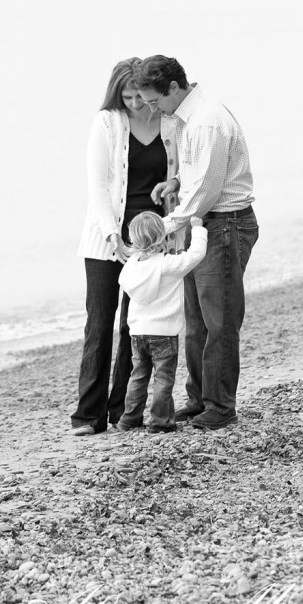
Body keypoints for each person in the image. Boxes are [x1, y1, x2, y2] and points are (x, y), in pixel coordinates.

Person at [132, 55, 258, 431]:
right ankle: (200, 398)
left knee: (219, 321)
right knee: (195, 320)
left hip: (224, 226)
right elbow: (198, 175)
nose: (154, 110)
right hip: (205, 224)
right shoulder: (190, 115)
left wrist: (163, 226)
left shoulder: (205, 122)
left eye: (155, 101)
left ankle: (221, 406)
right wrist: (175, 184)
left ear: (174, 88)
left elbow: (206, 190)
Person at [71, 57, 177, 436]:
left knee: (136, 329)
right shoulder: (107, 122)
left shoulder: (167, 121)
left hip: (149, 242)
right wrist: (112, 236)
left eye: (139, 95)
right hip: (105, 241)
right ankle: (88, 416)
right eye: (126, 96)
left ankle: (122, 411)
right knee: (99, 324)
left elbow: (177, 174)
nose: (134, 102)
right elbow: (98, 184)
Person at [117, 212, 208, 432]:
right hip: (164, 333)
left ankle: (129, 419)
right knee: (163, 379)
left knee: (138, 376)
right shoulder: (167, 265)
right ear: (163, 238)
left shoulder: (130, 267)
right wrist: (197, 228)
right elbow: (195, 255)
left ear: (133, 240)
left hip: (137, 333)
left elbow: (122, 281)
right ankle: (160, 421)